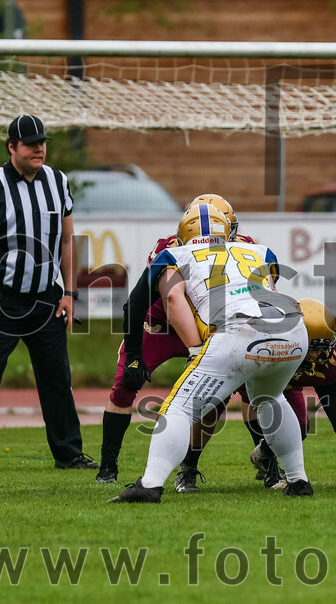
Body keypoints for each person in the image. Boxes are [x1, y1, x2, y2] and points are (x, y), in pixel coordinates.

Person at [109, 203, 310, 502]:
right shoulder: (260, 252)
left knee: (177, 409)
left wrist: (194, 347)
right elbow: (267, 288)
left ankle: (149, 485)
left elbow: (173, 299)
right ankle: (298, 480)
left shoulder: (173, 255)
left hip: (236, 332)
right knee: (270, 399)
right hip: (293, 331)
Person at [96, 194, 262, 484]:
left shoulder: (244, 246)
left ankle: (261, 462)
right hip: (162, 324)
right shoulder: (169, 249)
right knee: (125, 384)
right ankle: (107, 467)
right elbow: (144, 301)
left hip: (209, 325)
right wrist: (135, 354)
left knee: (246, 388)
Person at [0, 114, 97, 473]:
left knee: (57, 378)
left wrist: (70, 292)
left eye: (41, 142)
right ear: (11, 147)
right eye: (30, 143)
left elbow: (67, 239)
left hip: (45, 298)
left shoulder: (57, 182)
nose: (38, 148)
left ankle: (69, 453)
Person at [248, 298, 336, 493]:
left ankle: (264, 452)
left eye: (320, 348)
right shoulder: (274, 349)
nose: (314, 356)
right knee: (297, 425)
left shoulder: (333, 361)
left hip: (292, 374)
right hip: (278, 378)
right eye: (310, 347)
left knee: (315, 422)